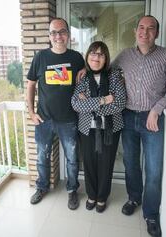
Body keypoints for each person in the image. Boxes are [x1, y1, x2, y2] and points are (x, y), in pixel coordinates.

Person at [112, 15, 166, 237]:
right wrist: (86, 73)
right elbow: (106, 73)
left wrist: (157, 109)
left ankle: (151, 213)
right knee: (131, 163)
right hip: (128, 116)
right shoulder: (124, 56)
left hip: (154, 120)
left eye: (151, 29)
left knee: (153, 168)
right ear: (135, 31)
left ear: (157, 33)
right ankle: (133, 198)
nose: (145, 32)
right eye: (141, 28)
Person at [27, 17, 85, 210]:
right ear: (49, 36)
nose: (58, 36)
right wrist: (31, 112)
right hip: (44, 119)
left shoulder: (76, 58)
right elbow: (31, 85)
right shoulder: (40, 57)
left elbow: (82, 84)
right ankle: (42, 187)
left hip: (69, 119)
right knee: (42, 156)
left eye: (62, 32)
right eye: (53, 32)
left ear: (68, 35)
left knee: (72, 158)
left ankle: (72, 190)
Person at [71, 41, 126, 213]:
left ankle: (102, 197)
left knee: (106, 164)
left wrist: (88, 102)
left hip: (110, 128)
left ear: (106, 58)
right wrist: (103, 100)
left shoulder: (115, 76)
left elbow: (120, 103)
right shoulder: (83, 77)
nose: (96, 57)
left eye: (101, 54)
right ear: (87, 56)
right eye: (93, 53)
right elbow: (75, 104)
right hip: (88, 129)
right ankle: (91, 195)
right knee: (89, 163)